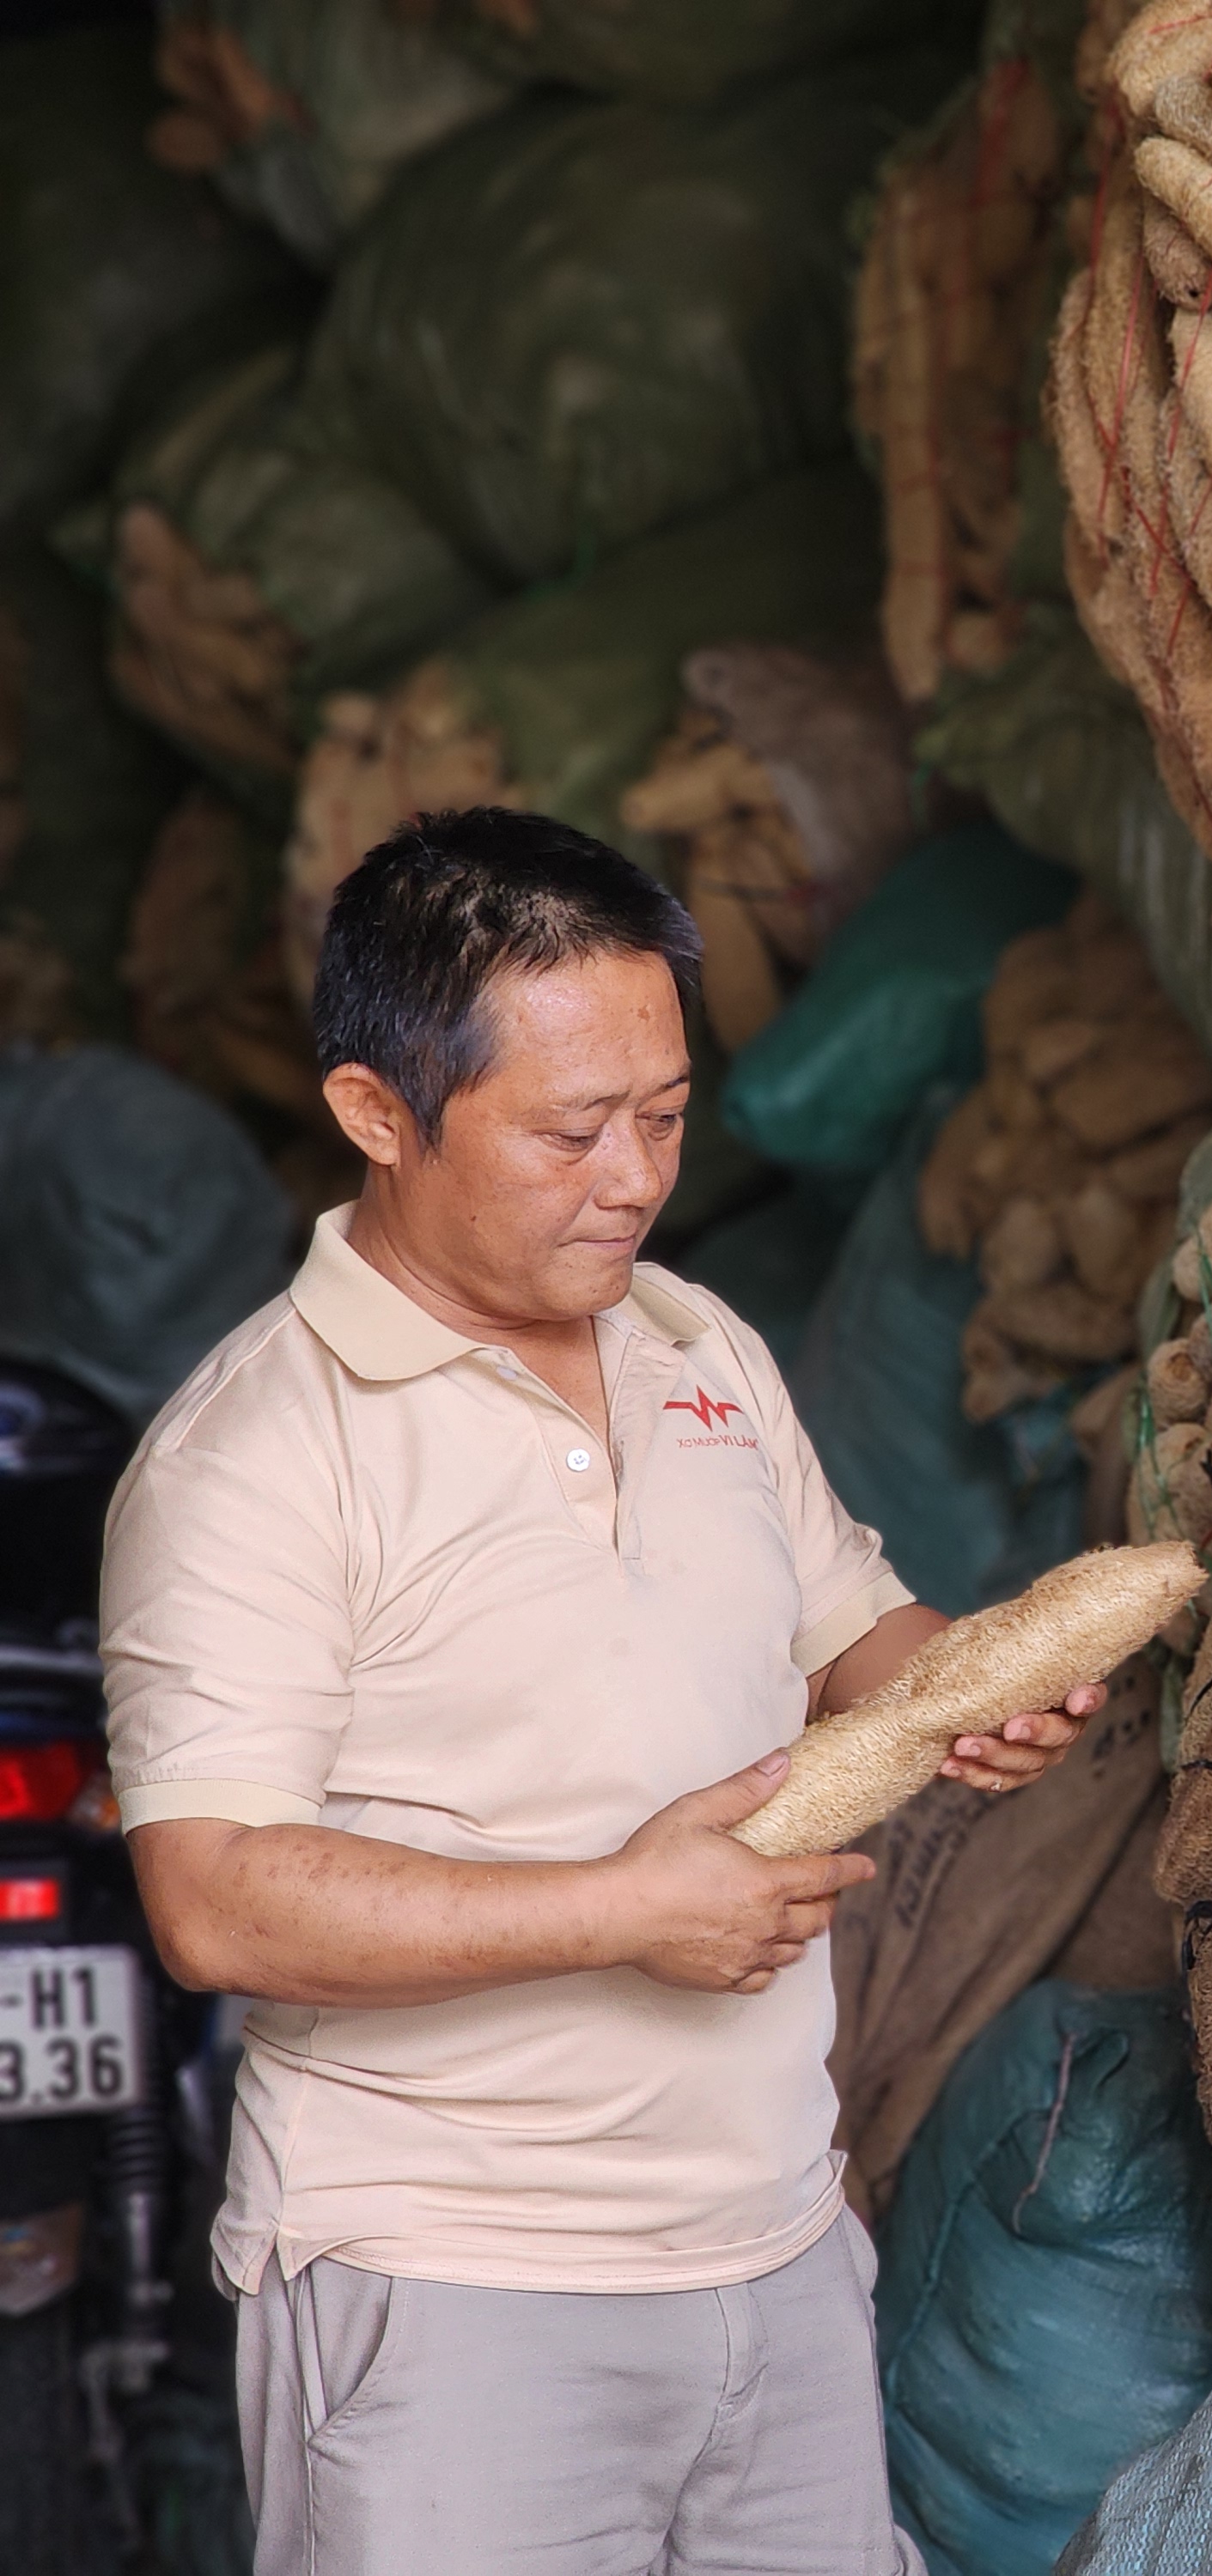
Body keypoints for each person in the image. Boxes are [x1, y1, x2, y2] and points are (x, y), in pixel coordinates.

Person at [100, 811, 1096, 2573]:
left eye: (665, 1116)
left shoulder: (702, 1351)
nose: (632, 1176)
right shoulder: (256, 1454)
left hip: (774, 2259)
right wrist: (621, 1908)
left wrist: (969, 1691)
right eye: (570, 1131)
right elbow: (214, 1897)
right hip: (451, 2290)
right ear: (376, 1115)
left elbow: (850, 1636)